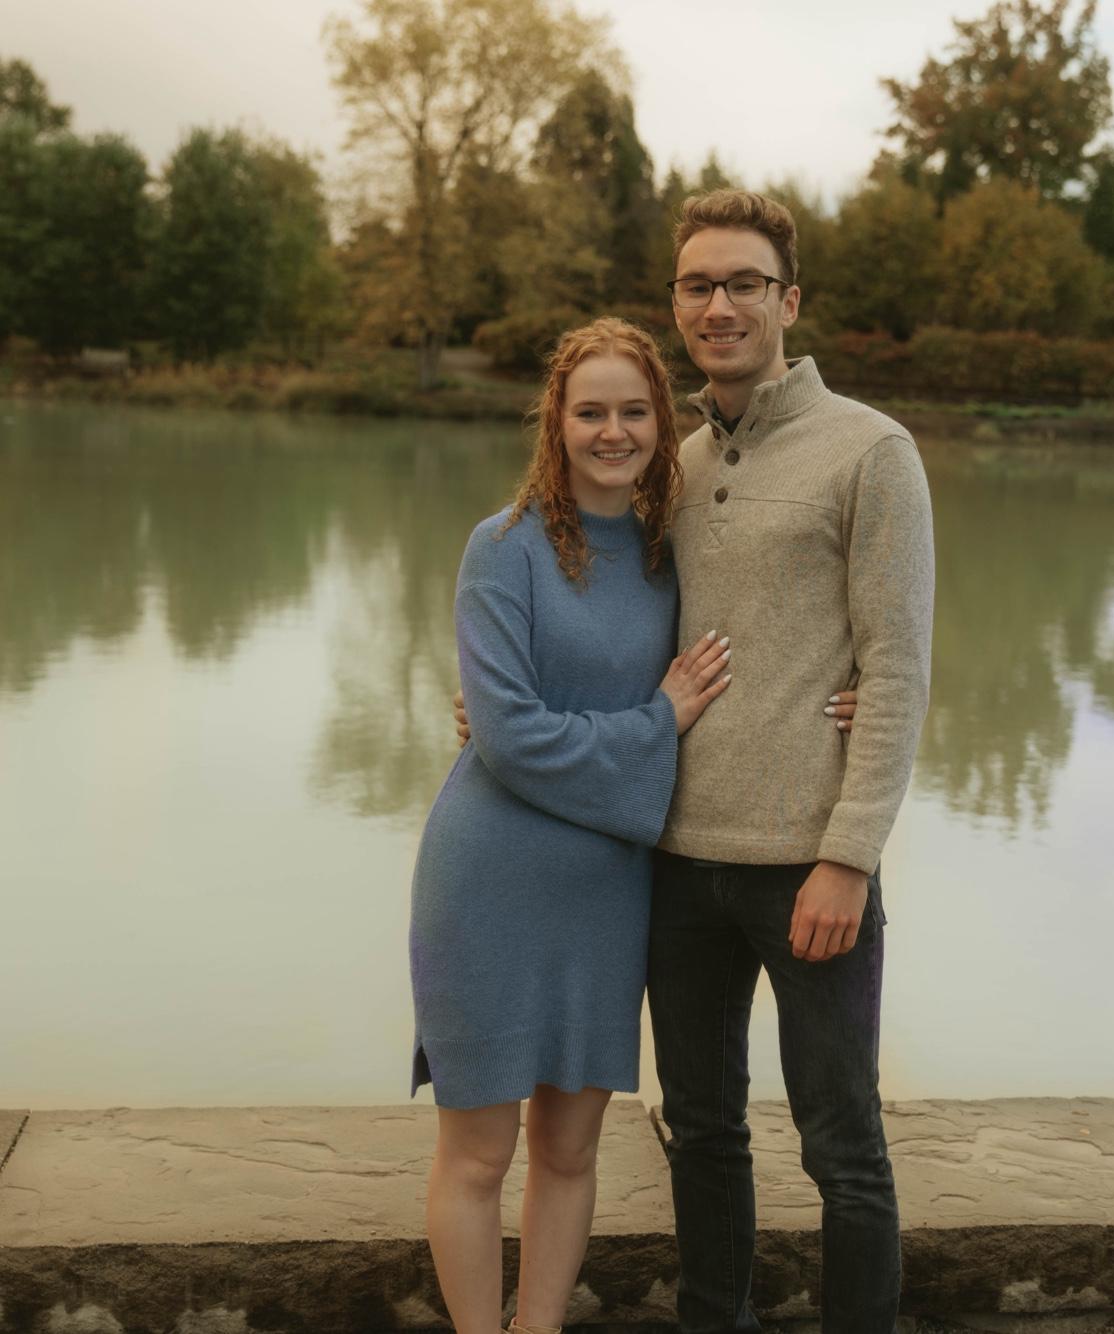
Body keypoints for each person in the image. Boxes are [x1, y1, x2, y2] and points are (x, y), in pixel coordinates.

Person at [456, 190, 935, 1332]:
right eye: (697, 286)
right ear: (676, 305)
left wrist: (850, 855)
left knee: (842, 1142)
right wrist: (500, 708)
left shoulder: (871, 451)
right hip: (672, 860)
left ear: (787, 300)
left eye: (743, 283)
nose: (719, 305)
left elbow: (897, 664)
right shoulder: (668, 465)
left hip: (806, 864)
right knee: (702, 1129)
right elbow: (614, 627)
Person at [409, 318, 733, 1334]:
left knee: (568, 1148)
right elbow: (508, 736)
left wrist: (852, 695)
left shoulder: (671, 556)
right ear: (556, 420)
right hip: (487, 880)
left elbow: (763, 650)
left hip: (604, 895)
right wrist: (656, 721)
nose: (612, 431)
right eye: (590, 411)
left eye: (633, 411)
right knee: (478, 1154)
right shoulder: (501, 548)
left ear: (662, 423)